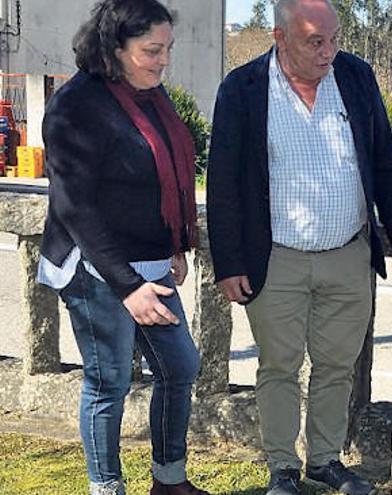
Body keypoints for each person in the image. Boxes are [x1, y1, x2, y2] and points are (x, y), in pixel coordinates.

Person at [206, 0, 392, 493]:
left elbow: (384, 156)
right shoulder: (243, 88)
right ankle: (282, 467)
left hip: (348, 253)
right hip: (274, 257)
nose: (329, 52)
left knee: (337, 366)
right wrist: (229, 262)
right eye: (315, 42)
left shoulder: (356, 76)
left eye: (334, 39)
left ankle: (324, 460)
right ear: (280, 38)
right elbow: (224, 183)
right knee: (278, 367)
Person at [36, 1, 209, 494]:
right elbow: (74, 205)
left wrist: (174, 243)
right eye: (151, 50)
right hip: (95, 267)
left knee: (180, 368)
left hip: (149, 261)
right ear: (115, 48)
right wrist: (128, 286)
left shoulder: (152, 94)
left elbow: (167, 175)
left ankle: (168, 481)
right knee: (108, 381)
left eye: (167, 50)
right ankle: (107, 489)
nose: (163, 61)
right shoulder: (76, 104)